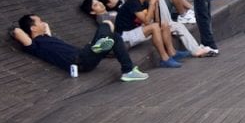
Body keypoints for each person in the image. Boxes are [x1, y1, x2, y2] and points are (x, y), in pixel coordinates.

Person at [12, 14, 148, 82]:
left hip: (84, 55)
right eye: (39, 21)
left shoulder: (46, 37)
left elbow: (46, 27)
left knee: (113, 35)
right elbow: (17, 31)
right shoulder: (34, 45)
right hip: (78, 61)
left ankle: (126, 69)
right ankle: (102, 48)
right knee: (105, 27)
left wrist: (41, 25)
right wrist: (23, 29)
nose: (43, 22)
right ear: (33, 28)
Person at [104, 0, 186, 68]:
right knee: (154, 27)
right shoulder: (133, 2)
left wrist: (155, 4)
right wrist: (151, 3)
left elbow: (157, 20)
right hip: (123, 36)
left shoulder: (145, 1)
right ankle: (164, 59)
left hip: (134, 31)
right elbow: (147, 21)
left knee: (164, 24)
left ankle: (172, 53)